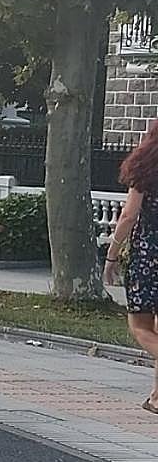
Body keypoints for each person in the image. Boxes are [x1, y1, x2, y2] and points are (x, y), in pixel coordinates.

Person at [103, 123, 158, 413]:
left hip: (149, 256)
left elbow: (127, 215)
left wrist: (112, 254)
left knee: (139, 326)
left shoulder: (145, 171)